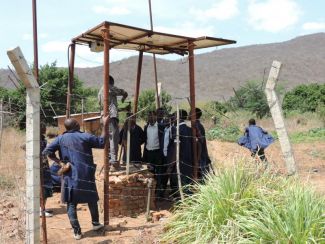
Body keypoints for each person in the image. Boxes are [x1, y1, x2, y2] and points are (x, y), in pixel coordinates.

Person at [42, 116, 109, 240]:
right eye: (77, 124)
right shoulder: (85, 136)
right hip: (86, 174)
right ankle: (95, 223)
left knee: (71, 203)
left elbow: (46, 152)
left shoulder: (60, 139)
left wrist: (60, 162)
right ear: (76, 126)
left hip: (70, 176)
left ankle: (77, 232)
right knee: (92, 199)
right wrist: (105, 125)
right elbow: (101, 143)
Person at [98, 75, 128, 169]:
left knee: (107, 139)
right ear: (111, 82)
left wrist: (123, 108)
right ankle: (114, 161)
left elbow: (110, 106)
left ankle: (109, 159)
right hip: (111, 118)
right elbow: (122, 92)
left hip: (104, 117)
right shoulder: (108, 87)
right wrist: (124, 95)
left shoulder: (100, 91)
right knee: (114, 139)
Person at [168, 110, 193, 200]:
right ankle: (189, 203)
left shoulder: (177, 130)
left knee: (180, 185)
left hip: (180, 163)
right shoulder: (190, 130)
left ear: (178, 117)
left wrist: (171, 164)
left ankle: (181, 204)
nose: (173, 118)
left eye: (174, 116)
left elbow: (176, 149)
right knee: (187, 185)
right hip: (189, 162)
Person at [143, 110, 165, 200]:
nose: (151, 118)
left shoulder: (160, 127)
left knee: (159, 174)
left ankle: (160, 194)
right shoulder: (146, 127)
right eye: (149, 116)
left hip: (158, 153)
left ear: (156, 117)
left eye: (152, 116)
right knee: (150, 174)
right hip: (149, 153)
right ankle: (151, 193)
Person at [194, 108, 212, 179]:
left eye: (190, 112)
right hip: (201, 154)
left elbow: (200, 142)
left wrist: (197, 158)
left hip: (200, 155)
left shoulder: (197, 126)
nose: (188, 114)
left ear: (195, 115)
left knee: (202, 176)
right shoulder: (197, 125)